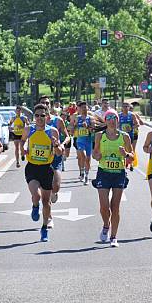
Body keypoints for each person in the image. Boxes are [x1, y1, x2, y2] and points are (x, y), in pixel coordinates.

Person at [19, 103, 64, 242]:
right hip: (32, 167)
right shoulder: (29, 130)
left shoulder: (53, 131)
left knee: (46, 201)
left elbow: (59, 152)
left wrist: (56, 145)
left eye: (42, 116)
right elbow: (22, 141)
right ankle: (34, 205)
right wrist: (23, 150)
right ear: (34, 117)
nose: (39, 118)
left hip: (46, 168)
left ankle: (44, 228)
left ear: (47, 116)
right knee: (36, 195)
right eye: (37, 115)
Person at [92, 110, 133, 248]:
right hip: (103, 172)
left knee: (115, 207)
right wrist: (97, 156)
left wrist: (126, 154)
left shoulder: (125, 136)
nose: (111, 120)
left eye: (114, 117)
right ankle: (106, 225)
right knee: (104, 207)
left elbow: (132, 157)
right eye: (109, 118)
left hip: (119, 173)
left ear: (118, 120)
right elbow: (95, 153)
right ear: (105, 120)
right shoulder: (99, 136)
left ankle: (114, 237)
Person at [46, 107, 70, 228]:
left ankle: (54, 193)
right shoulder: (38, 123)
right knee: (45, 190)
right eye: (42, 103)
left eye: (47, 103)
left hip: (56, 157)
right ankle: (49, 217)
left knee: (56, 186)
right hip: (43, 160)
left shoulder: (58, 120)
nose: (45, 105)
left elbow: (67, 136)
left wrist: (61, 144)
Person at [71, 101, 94, 185]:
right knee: (82, 156)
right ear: (80, 109)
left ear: (88, 108)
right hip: (80, 141)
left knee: (88, 159)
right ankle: (82, 173)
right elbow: (73, 127)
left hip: (88, 141)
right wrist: (73, 128)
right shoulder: (77, 118)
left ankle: (86, 176)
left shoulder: (91, 118)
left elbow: (93, 130)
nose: (84, 109)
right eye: (82, 107)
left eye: (85, 107)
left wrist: (87, 127)